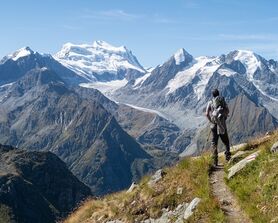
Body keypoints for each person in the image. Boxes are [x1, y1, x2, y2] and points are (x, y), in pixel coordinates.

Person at [206, 89, 231, 166]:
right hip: (222, 125)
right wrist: (224, 117)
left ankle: (215, 162)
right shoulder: (222, 102)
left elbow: (206, 113)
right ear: (218, 94)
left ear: (212, 95)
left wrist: (211, 121)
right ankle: (228, 158)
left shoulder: (210, 103)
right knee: (226, 142)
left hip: (214, 125)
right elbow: (227, 111)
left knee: (214, 143)